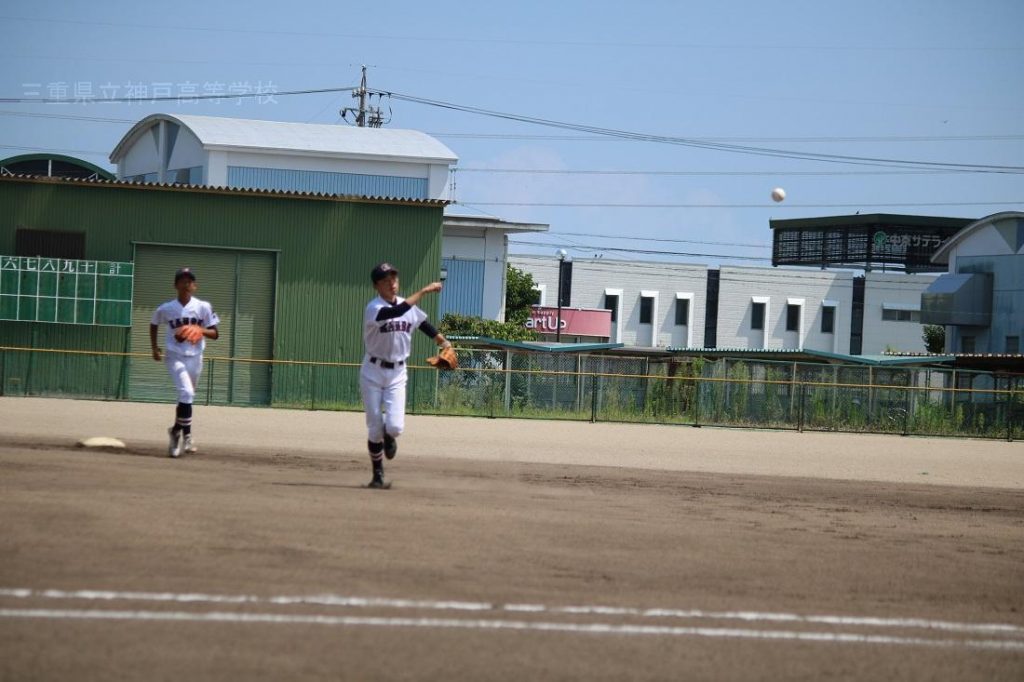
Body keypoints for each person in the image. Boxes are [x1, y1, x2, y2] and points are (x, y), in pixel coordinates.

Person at [361, 262, 450, 489]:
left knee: (395, 427)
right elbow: (397, 312)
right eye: (386, 280)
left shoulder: (406, 305)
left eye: (394, 279)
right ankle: (378, 474)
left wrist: (443, 342)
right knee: (373, 427)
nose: (392, 283)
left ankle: (388, 435)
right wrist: (424, 290)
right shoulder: (374, 308)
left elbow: (423, 324)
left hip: (398, 372)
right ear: (376, 286)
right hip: (373, 371)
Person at [149, 267, 220, 458]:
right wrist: (154, 348)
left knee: (187, 397)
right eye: (182, 280)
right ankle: (187, 436)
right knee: (186, 392)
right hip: (174, 356)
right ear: (175, 285)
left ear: (194, 286)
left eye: (189, 281)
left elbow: (215, 334)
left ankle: (175, 431)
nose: (186, 284)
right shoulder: (166, 308)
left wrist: (198, 329)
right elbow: (154, 322)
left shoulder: (203, 307)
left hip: (196, 357)